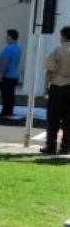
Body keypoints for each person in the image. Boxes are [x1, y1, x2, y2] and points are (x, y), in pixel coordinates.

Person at [42, 26, 70, 155]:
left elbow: (49, 70)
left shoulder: (57, 51)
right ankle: (66, 147)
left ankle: (51, 146)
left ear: (63, 36)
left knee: (53, 118)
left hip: (56, 87)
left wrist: (45, 90)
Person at [0, 29, 22, 117]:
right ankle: (10, 111)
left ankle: (5, 111)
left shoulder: (8, 48)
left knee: (5, 95)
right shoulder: (18, 48)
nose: (5, 38)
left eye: (6, 36)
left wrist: (0, 74)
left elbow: (5, 62)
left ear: (10, 37)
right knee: (11, 94)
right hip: (14, 75)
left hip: (7, 75)